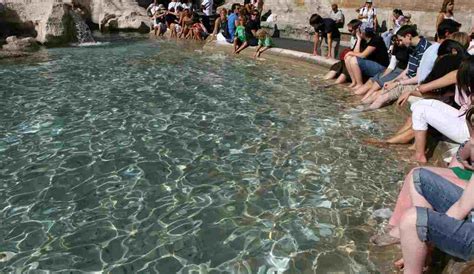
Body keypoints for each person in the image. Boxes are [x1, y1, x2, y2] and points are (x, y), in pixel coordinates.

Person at [367, 25, 431, 109]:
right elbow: (407, 69)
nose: (401, 43)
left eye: (401, 39)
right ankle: (357, 110)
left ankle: (361, 114)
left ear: (408, 36)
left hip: (415, 83)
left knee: (381, 98)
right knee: (376, 94)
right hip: (407, 80)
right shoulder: (412, 47)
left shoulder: (424, 49)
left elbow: (418, 78)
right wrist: (392, 81)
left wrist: (397, 83)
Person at [344, 22, 389, 90]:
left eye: (358, 31)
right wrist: (358, 39)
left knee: (353, 60)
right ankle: (354, 82)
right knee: (348, 58)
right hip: (371, 63)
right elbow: (356, 53)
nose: (357, 32)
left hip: (381, 67)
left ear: (362, 32)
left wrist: (350, 52)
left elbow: (363, 55)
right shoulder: (363, 39)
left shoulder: (376, 39)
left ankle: (359, 84)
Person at [324, 19, 365, 83]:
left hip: (355, 63)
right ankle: (322, 82)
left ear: (357, 30)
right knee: (336, 67)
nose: (350, 32)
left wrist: (359, 39)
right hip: (349, 60)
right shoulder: (354, 38)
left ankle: (334, 85)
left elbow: (357, 53)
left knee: (344, 71)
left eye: (351, 30)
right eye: (349, 30)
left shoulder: (362, 39)